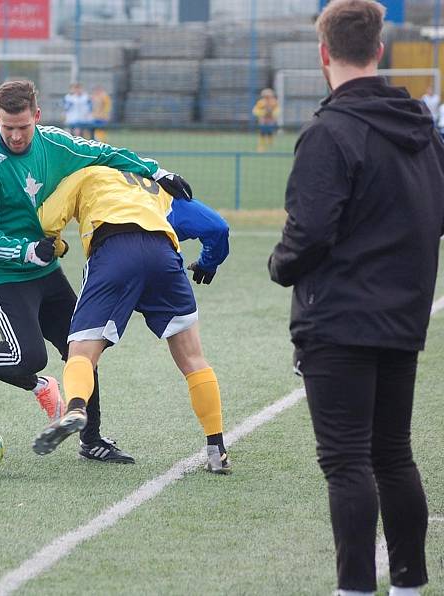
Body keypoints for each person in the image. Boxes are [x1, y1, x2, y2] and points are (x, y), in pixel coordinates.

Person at [0, 80, 192, 464]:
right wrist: (26, 250)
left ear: (37, 117)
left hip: (45, 271)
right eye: (7, 127)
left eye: (23, 127)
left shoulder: (55, 143)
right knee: (28, 358)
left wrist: (157, 172)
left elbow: (103, 153)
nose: (15, 136)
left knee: (81, 347)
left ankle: (91, 439)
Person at [267, 1, 444, 594]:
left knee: (346, 462)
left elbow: (309, 230)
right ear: (380, 51)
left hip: (338, 320)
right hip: (402, 315)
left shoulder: (329, 131)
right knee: (393, 455)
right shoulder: (422, 128)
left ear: (323, 55)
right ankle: (410, 585)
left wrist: (280, 265)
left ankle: (353, 588)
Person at [30, 166, 231, 473]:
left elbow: (46, 220)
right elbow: (217, 228)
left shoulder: (83, 174)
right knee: (193, 358)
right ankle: (216, 447)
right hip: (162, 254)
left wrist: (57, 246)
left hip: (114, 252)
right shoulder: (157, 184)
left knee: (82, 353)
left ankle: (75, 409)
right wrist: (208, 263)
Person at [251, 88, 279, 152]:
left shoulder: (274, 102)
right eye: (265, 96)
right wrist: (263, 113)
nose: (267, 97)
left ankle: (270, 144)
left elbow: (278, 111)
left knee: (270, 132)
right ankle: (261, 146)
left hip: (271, 120)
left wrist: (273, 114)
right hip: (263, 120)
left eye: (269, 96)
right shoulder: (260, 103)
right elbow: (255, 111)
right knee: (262, 133)